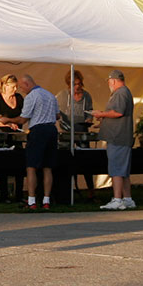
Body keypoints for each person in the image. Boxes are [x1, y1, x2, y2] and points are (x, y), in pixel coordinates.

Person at [1, 74, 59, 210]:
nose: (21, 90)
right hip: (51, 130)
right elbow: (57, 115)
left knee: (31, 166)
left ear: (27, 84)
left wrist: (7, 120)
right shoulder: (50, 95)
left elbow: (22, 119)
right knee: (47, 167)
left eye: (21, 87)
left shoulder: (31, 97)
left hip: (38, 131)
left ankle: (32, 201)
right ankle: (46, 201)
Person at [92, 70, 136, 210]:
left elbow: (118, 112)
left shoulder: (121, 93)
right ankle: (127, 199)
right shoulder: (124, 92)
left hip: (118, 137)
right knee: (123, 171)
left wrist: (101, 114)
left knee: (116, 169)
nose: (109, 84)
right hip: (121, 136)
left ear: (114, 81)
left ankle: (117, 199)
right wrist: (103, 121)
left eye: (109, 81)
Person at [56, 70, 96, 201]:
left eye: (79, 84)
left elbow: (90, 111)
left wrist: (89, 119)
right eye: (74, 84)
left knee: (86, 161)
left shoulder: (87, 96)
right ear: (69, 84)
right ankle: (67, 189)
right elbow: (56, 110)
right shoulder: (62, 95)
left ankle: (91, 190)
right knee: (66, 160)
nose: (77, 87)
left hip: (82, 131)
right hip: (66, 132)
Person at [0, 73, 23, 203]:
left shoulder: (19, 98)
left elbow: (24, 116)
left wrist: (15, 122)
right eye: (13, 87)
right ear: (6, 86)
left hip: (16, 135)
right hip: (2, 136)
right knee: (4, 167)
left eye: (16, 87)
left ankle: (18, 195)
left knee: (19, 165)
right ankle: (4, 195)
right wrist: (7, 123)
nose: (15, 90)